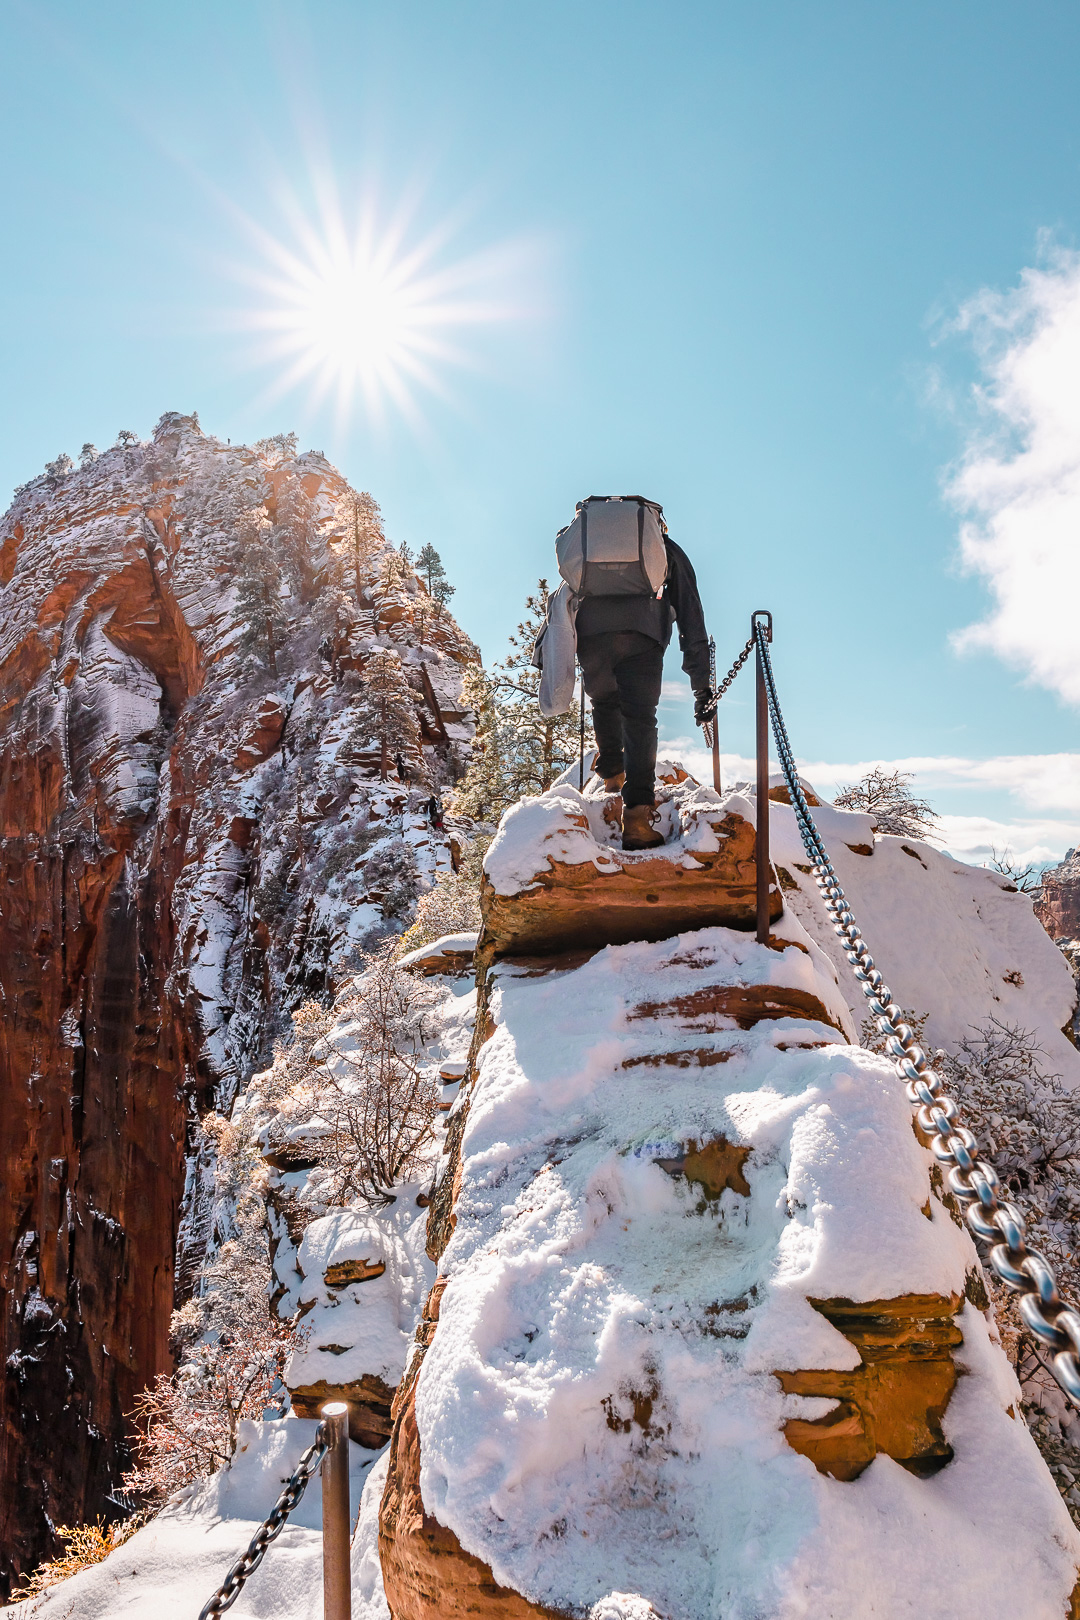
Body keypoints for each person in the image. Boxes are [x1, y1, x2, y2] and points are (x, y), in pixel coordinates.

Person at [573, 501, 712, 850]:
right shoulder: (665, 550)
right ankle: (636, 818)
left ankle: (612, 782)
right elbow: (691, 617)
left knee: (603, 701)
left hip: (592, 636)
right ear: (654, 524)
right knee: (640, 720)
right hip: (643, 637)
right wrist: (701, 686)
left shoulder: (587, 549)